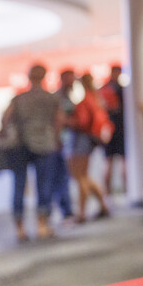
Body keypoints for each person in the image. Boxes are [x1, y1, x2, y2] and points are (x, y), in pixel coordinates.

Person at [2, 64, 62, 241]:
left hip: (21, 145)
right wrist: (56, 139)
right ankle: (42, 225)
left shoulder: (20, 99)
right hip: (45, 144)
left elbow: (5, 118)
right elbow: (58, 121)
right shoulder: (50, 98)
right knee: (44, 185)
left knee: (19, 185)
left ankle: (20, 228)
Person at [69, 72, 110, 222]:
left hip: (82, 140)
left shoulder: (86, 100)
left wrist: (66, 121)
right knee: (85, 176)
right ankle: (103, 205)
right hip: (90, 140)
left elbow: (82, 122)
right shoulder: (96, 98)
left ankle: (81, 213)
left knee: (81, 177)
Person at [51, 69, 78, 222]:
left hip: (66, 142)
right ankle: (66, 210)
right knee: (61, 177)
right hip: (60, 143)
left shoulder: (67, 96)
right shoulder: (58, 97)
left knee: (65, 177)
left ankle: (66, 210)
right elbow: (59, 120)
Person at [99, 65, 126, 195]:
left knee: (109, 160)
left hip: (109, 128)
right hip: (119, 128)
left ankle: (108, 192)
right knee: (121, 160)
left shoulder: (104, 88)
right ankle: (126, 190)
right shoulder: (122, 90)